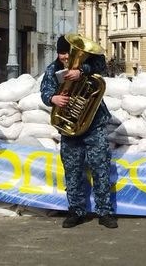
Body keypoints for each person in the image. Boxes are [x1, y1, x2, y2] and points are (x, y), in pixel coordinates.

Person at [40, 35, 117, 229]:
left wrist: (82, 70)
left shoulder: (88, 61)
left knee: (100, 167)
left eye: (67, 53)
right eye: (62, 53)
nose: (65, 57)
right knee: (72, 170)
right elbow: (45, 92)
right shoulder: (53, 69)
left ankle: (105, 211)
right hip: (70, 127)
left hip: (94, 124)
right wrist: (53, 99)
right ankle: (75, 210)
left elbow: (102, 64)